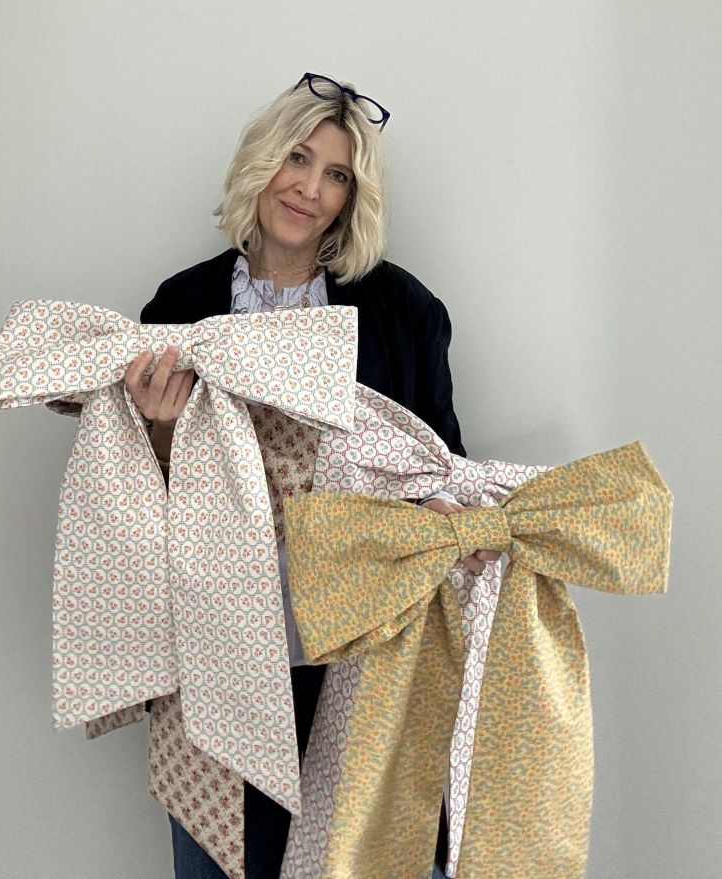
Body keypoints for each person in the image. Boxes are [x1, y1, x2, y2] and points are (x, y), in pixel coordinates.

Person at [125, 72, 500, 879]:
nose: (310, 188)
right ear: (263, 162)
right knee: (229, 866)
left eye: (338, 175)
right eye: (298, 158)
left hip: (370, 662)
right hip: (223, 663)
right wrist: (158, 430)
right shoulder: (179, 309)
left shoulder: (403, 312)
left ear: (351, 199)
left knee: (384, 861)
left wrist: (445, 520)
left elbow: (445, 470)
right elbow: (129, 502)